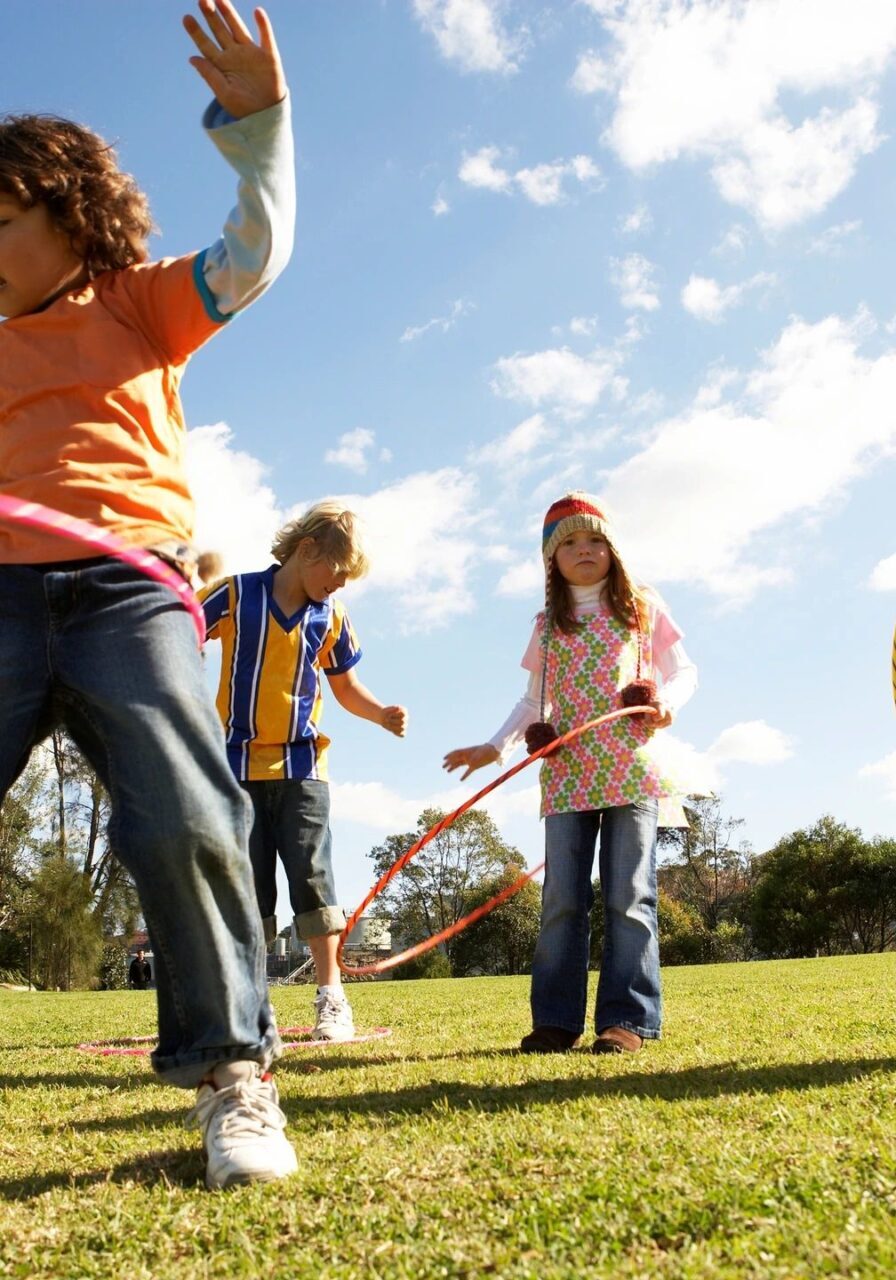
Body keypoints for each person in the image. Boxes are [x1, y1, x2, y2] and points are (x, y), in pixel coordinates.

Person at [0, 0, 299, 1188]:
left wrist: (260, 132)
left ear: (70, 216)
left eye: (2, 218)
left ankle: (234, 1074)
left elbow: (255, 250)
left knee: (181, 807)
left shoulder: (134, 302)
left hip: (129, 588)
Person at [443, 493, 697, 1055]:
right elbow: (533, 701)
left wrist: (666, 702)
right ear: (551, 560)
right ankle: (556, 1021)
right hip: (567, 775)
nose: (585, 551)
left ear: (614, 549)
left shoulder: (641, 607)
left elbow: (684, 671)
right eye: (570, 544)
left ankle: (627, 1020)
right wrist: (494, 747)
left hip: (631, 769)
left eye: (596, 541)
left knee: (629, 895)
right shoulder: (547, 625)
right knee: (562, 898)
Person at [200, 502, 408, 1042]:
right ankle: (246, 1005)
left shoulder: (330, 616)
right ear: (307, 549)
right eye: (337, 574)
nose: (338, 587)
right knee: (247, 887)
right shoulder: (237, 594)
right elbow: (182, 631)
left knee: (313, 878)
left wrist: (380, 711)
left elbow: (344, 687)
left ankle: (331, 997)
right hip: (236, 766)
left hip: (303, 767)